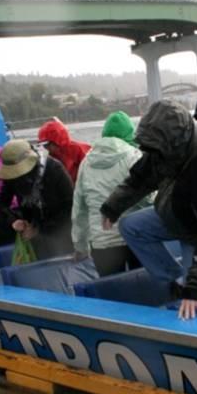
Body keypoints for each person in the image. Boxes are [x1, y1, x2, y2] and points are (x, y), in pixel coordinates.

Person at [101, 101, 197, 320]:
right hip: (178, 212)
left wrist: (194, 287)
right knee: (131, 227)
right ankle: (177, 280)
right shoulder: (162, 147)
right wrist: (113, 207)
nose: (154, 154)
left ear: (176, 143)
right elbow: (141, 178)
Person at [71, 111, 150, 276]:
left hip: (102, 243)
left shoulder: (86, 162)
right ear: (130, 133)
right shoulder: (134, 156)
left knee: (112, 296)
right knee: (144, 294)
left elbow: (79, 209)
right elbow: (148, 199)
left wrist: (80, 246)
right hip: (134, 237)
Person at [0, 139, 75, 260]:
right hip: (33, 236)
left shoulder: (55, 170)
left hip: (62, 234)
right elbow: (2, 204)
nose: (19, 177)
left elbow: (71, 207)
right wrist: (14, 220)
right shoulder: (11, 176)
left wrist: (39, 230)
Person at [37, 118, 91, 183]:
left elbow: (90, 173)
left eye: (46, 144)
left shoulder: (78, 150)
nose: (45, 147)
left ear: (56, 141)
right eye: (43, 145)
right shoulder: (50, 158)